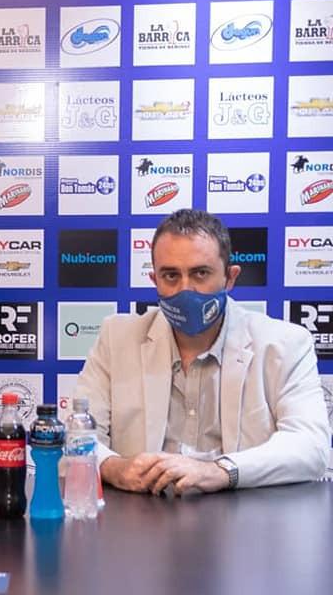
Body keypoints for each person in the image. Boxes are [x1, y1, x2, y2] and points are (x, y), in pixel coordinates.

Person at [77, 209, 329, 495]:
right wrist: (114, 468)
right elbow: (75, 437)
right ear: (154, 280)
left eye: (200, 273)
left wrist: (221, 471)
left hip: (246, 515)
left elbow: (311, 447)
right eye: (171, 275)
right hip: (143, 515)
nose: (186, 290)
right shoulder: (117, 338)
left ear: (230, 278)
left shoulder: (284, 344)